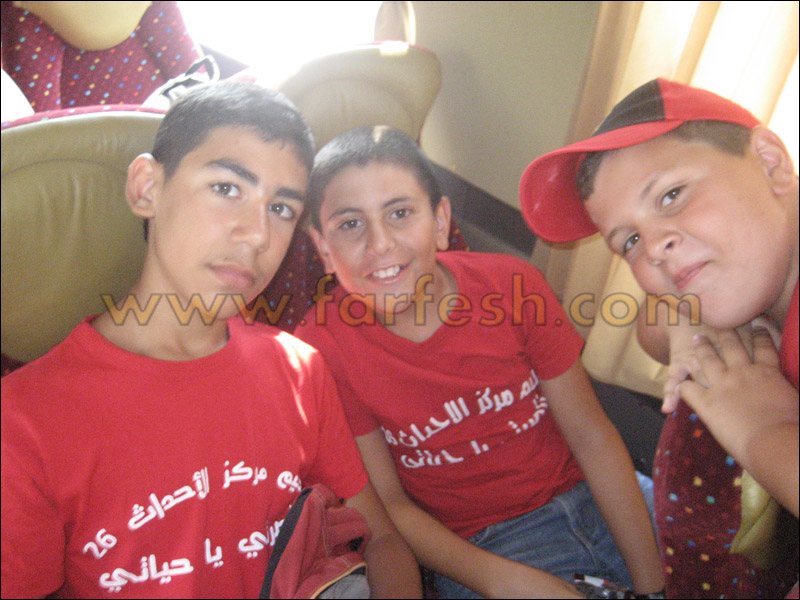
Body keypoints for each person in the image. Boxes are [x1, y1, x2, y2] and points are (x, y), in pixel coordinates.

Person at [0, 80, 421, 599]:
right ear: (146, 188)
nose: (257, 235)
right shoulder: (24, 425)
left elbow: (381, 539)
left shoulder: (298, 369)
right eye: (226, 189)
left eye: (281, 209)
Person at [294, 125, 665, 599]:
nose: (379, 242)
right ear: (323, 248)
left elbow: (592, 436)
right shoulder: (323, 349)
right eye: (350, 224)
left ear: (441, 221)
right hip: (483, 547)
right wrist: (503, 579)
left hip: (598, 494)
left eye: (400, 213)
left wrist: (653, 585)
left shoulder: (513, 286)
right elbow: (390, 506)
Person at [519, 77, 798, 598]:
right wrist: (682, 318)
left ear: (770, 161)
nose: (654, 249)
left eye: (671, 195)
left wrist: (767, 433)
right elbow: (652, 329)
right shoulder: (754, 276)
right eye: (629, 240)